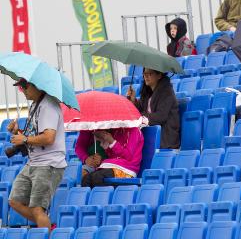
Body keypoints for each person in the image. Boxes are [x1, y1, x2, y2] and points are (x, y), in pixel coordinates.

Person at [8, 79, 66, 229]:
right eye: (21, 87)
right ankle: (47, 226)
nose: (23, 90)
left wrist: (25, 138)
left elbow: (48, 138)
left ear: (37, 85)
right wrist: (17, 132)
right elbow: (32, 138)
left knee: (37, 208)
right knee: (14, 201)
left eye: (25, 86)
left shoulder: (48, 106)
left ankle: (46, 228)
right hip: (33, 162)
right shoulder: (36, 104)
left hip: (48, 164)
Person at [127, 68, 180, 149]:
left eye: (150, 74)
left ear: (159, 75)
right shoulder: (147, 92)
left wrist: (142, 117)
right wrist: (133, 100)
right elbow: (141, 109)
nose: (146, 76)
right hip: (151, 136)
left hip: (165, 138)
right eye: (144, 74)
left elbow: (160, 116)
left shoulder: (167, 92)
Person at [76, 128, 143, 188]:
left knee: (97, 178)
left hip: (126, 168)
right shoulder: (117, 131)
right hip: (110, 165)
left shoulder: (134, 131)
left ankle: (101, 200)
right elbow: (111, 154)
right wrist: (104, 141)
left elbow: (128, 156)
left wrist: (112, 141)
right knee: (86, 178)